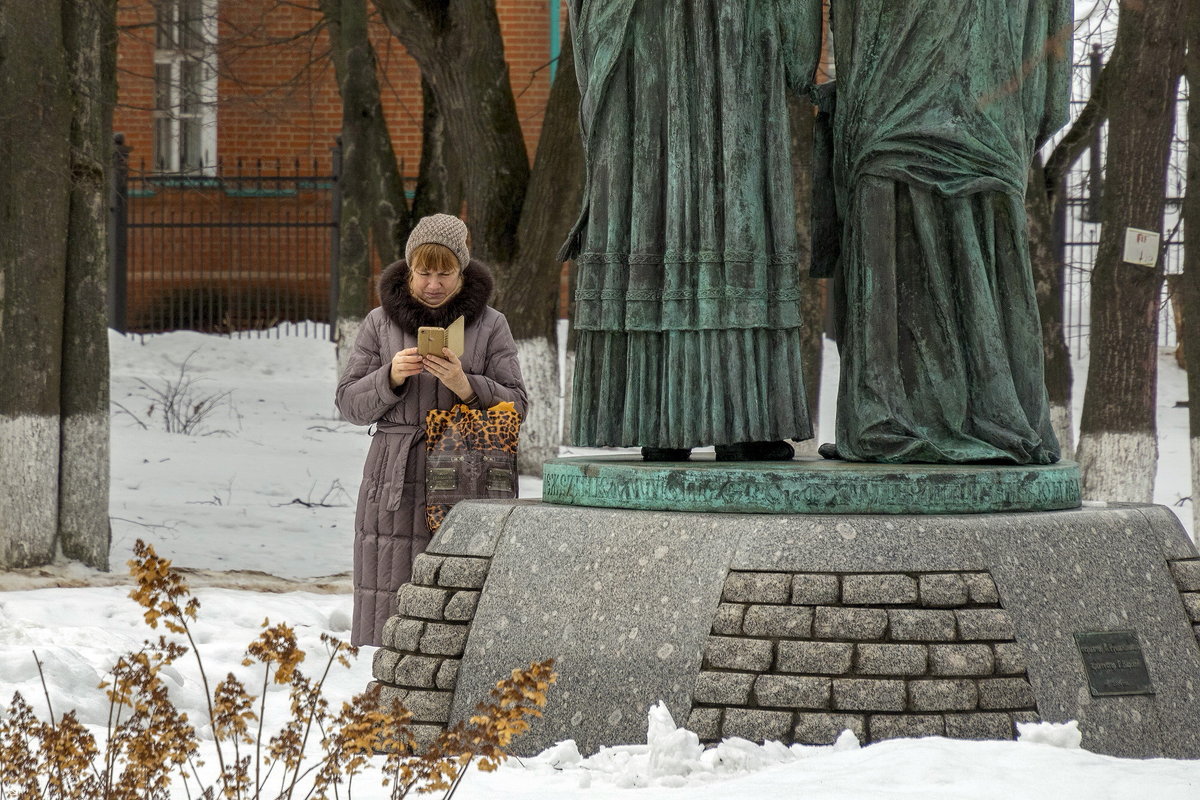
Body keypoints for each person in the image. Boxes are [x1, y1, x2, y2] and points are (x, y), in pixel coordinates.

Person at [560, 0, 823, 461]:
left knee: (656, 216)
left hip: (641, 51)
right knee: (726, 222)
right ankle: (742, 423)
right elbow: (799, 58)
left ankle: (658, 422)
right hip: (730, 51)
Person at [818, 0, 1070, 464]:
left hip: (889, 119)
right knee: (965, 272)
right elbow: (1052, 89)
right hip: (983, 129)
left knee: (893, 273)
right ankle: (986, 413)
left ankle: (889, 416)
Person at [336, 214, 527, 646]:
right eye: (424, 272)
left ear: (462, 271)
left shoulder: (491, 324)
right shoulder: (379, 323)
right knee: (392, 606)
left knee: (458, 612)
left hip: (468, 475)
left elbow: (519, 405)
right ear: (409, 270)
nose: (434, 284)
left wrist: (467, 385)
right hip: (394, 478)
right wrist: (390, 377)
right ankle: (387, 702)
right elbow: (348, 402)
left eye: (445, 272)